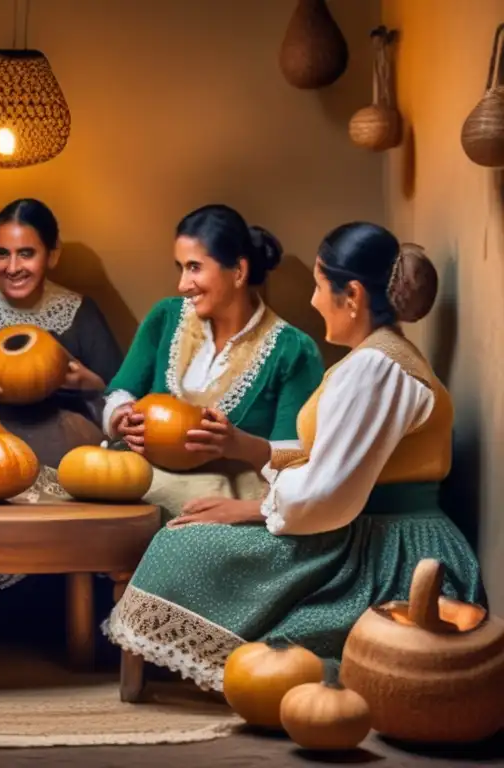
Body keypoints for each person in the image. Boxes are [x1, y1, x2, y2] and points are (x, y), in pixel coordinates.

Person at [104, 222, 485, 692]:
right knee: (187, 536)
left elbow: (326, 496)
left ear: (353, 297)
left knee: (185, 544)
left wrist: (250, 510)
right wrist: (252, 449)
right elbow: (327, 460)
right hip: (360, 528)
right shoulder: (372, 360)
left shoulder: (377, 368)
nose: (313, 300)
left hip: (388, 551)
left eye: (321, 287)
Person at [0, 198, 124, 596]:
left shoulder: (79, 313)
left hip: (61, 436)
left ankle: (49, 599)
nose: (13, 267)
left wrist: (88, 382)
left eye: (26, 253)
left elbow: (122, 392)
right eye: (2, 253)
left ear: (52, 255)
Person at [103, 204, 325, 517]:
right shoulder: (164, 318)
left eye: (194, 267)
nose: (182, 285)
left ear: (238, 272)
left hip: (227, 503)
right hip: (142, 483)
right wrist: (121, 418)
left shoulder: (294, 351)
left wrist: (239, 445)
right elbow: (119, 392)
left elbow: (299, 461)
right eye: (180, 267)